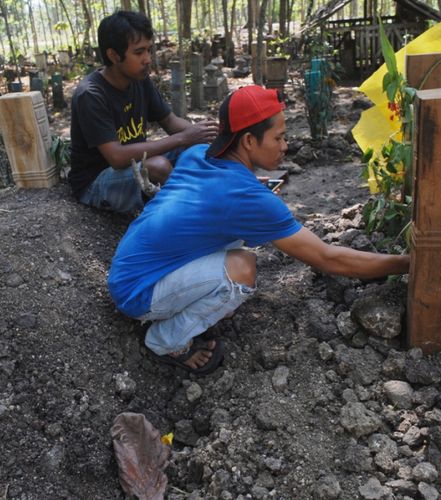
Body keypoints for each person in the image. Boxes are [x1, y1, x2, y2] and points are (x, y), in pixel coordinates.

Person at [108, 85, 410, 375]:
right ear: (249, 141)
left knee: (237, 238)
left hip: (127, 269)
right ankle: (166, 340)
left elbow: (199, 186)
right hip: (138, 293)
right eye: (278, 138)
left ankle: (193, 303)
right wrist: (405, 263)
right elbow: (327, 258)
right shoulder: (246, 198)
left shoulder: (198, 152)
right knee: (243, 268)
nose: (285, 146)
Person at [69, 11, 218, 213]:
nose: (147, 59)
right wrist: (183, 138)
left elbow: (170, 121)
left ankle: (207, 202)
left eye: (149, 50)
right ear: (113, 55)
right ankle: (192, 215)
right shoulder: (91, 94)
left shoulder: (139, 80)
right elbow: (117, 157)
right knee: (157, 167)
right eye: (139, 52)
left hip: (134, 165)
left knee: (198, 149)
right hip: (96, 182)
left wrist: (208, 135)